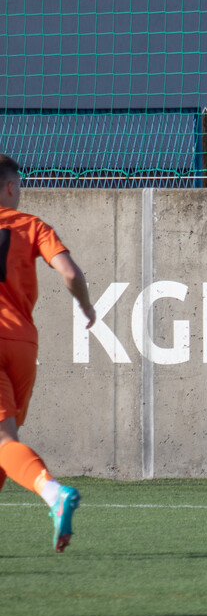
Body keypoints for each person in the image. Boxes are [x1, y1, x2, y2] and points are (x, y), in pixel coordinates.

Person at [0, 154, 96, 551]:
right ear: (9, 187)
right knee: (6, 445)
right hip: (22, 343)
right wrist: (86, 307)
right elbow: (71, 273)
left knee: (3, 441)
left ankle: (53, 492)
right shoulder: (31, 225)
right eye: (19, 185)